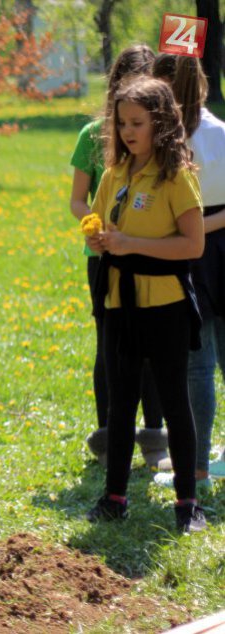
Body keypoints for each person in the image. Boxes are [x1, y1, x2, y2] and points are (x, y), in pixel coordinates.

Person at [85, 76, 206, 534]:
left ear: (161, 123)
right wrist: (99, 238)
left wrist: (129, 242)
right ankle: (114, 496)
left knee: (175, 401)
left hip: (166, 305)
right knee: (121, 404)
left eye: (137, 123)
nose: (128, 132)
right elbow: (101, 230)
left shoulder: (176, 177)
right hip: (120, 302)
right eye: (121, 124)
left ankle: (187, 502)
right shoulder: (116, 174)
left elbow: (193, 246)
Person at [69, 44, 168, 468]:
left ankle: (154, 435)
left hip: (151, 256)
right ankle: (111, 433)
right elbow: (77, 200)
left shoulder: (162, 138)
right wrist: (95, 228)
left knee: (153, 346)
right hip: (106, 258)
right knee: (109, 345)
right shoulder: (93, 136)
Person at [152, 53, 225, 487]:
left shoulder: (173, 141)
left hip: (189, 249)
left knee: (197, 364)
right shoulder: (219, 132)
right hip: (209, 243)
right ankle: (199, 461)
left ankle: (196, 465)